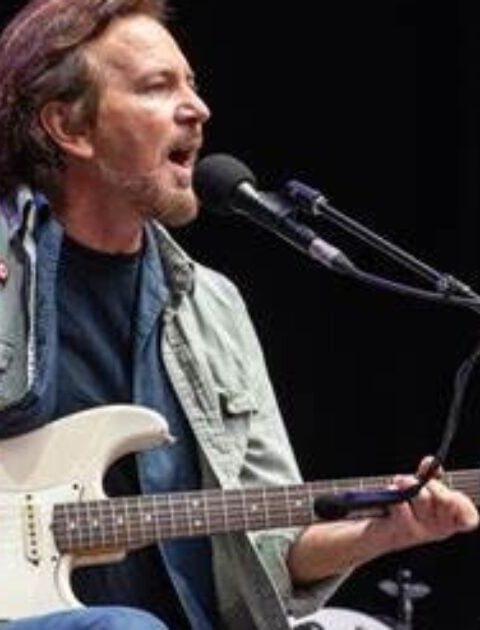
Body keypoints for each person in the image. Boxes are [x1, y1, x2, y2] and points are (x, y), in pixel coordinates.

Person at [0, 1, 477, 629]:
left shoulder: (212, 305)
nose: (198, 109)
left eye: (192, 85)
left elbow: (273, 547)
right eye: (157, 86)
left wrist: (382, 532)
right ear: (69, 127)